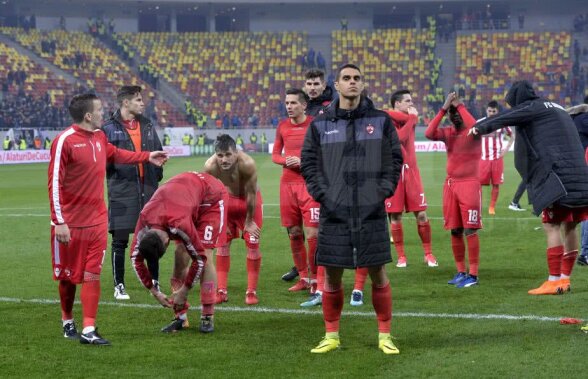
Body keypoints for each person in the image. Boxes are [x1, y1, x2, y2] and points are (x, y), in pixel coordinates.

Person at [48, 93, 167, 345]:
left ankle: (89, 329)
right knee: (68, 278)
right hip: (69, 225)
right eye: (100, 110)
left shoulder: (100, 137)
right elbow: (54, 184)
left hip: (97, 221)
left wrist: (147, 156)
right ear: (88, 115)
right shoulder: (64, 142)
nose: (104, 113)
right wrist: (59, 221)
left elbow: (116, 154)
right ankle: (67, 319)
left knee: (92, 274)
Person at [301, 64, 403, 354]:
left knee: (378, 273)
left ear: (363, 84)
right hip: (334, 211)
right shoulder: (320, 123)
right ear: (338, 84)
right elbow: (309, 163)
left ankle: (385, 335)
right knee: (332, 274)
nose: (352, 82)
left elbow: (394, 161)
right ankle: (331, 335)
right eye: (347, 78)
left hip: (370, 210)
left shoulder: (380, 120)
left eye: (357, 78)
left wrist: (381, 193)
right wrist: (324, 195)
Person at [470, 81, 588, 295]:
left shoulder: (531, 108)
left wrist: (479, 128)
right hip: (581, 176)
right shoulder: (558, 108)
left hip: (559, 178)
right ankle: (564, 279)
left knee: (551, 224)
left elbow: (504, 117)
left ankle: (553, 281)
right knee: (570, 226)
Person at [130, 171, 226, 333]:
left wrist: (185, 289)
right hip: (184, 199)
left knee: (206, 254)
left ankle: (208, 314)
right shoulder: (145, 218)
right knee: (180, 255)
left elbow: (199, 259)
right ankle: (180, 317)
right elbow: (135, 258)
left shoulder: (179, 224)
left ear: (167, 241)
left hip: (211, 198)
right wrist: (154, 291)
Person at [102, 85, 164, 300]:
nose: (142, 103)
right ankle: (119, 285)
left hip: (148, 190)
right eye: (138, 100)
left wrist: (156, 175)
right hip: (122, 191)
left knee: (151, 237)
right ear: (125, 103)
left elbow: (158, 150)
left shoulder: (147, 125)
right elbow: (105, 161)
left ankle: (154, 281)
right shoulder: (108, 129)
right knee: (120, 240)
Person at [281, 69, 335, 283]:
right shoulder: (302, 105)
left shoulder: (330, 107)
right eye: (309, 84)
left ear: (324, 85)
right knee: (295, 228)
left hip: (320, 175)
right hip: (296, 177)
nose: (312, 87)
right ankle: (301, 267)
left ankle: (323, 269)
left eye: (316, 84)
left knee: (318, 227)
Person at [425, 92, 482, 288]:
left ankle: (473, 274)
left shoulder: (473, 132)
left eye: (458, 111)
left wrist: (459, 105)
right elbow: (429, 133)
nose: (455, 114)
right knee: (455, 230)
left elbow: (474, 125)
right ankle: (460, 271)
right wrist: (444, 107)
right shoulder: (448, 133)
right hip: (451, 186)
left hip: (469, 185)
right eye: (452, 112)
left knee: (470, 229)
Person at [272, 89, 322, 306]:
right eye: (287, 102)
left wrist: (304, 163)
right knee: (294, 232)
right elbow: (275, 154)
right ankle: (303, 277)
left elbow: (323, 153)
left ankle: (317, 280)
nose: (289, 106)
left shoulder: (315, 124)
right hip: (287, 185)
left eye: (293, 103)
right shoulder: (282, 126)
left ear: (304, 105)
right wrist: (286, 161)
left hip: (310, 184)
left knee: (313, 234)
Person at [203, 134, 262, 305]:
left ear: (235, 152)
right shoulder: (210, 166)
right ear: (215, 155)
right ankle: (221, 291)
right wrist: (219, 219)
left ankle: (251, 292)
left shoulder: (247, 164)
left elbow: (251, 195)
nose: (224, 160)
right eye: (220, 155)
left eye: (228, 154)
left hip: (249, 204)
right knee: (222, 246)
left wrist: (249, 222)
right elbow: (210, 196)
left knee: (252, 245)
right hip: (226, 203)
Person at [384, 89, 438, 269]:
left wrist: (411, 119)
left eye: (411, 100)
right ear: (397, 103)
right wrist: (414, 119)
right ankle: (401, 256)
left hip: (412, 172)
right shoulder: (387, 120)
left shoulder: (407, 119)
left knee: (421, 214)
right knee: (396, 216)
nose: (411, 104)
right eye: (407, 101)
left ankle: (428, 254)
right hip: (393, 172)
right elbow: (400, 137)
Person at [478, 100, 514, 215]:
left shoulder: (501, 123)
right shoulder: (479, 122)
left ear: (497, 111)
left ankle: (491, 207)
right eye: (489, 111)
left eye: (494, 111)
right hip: (483, 159)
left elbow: (512, 136)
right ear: (486, 110)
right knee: (478, 184)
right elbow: (471, 136)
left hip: (497, 159)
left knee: (496, 184)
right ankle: (478, 205)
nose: (491, 113)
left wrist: (506, 149)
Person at [566, 96, 588, 265]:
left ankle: (584, 252)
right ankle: (585, 252)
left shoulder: (573, 118)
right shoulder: (585, 120)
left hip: (573, 168)